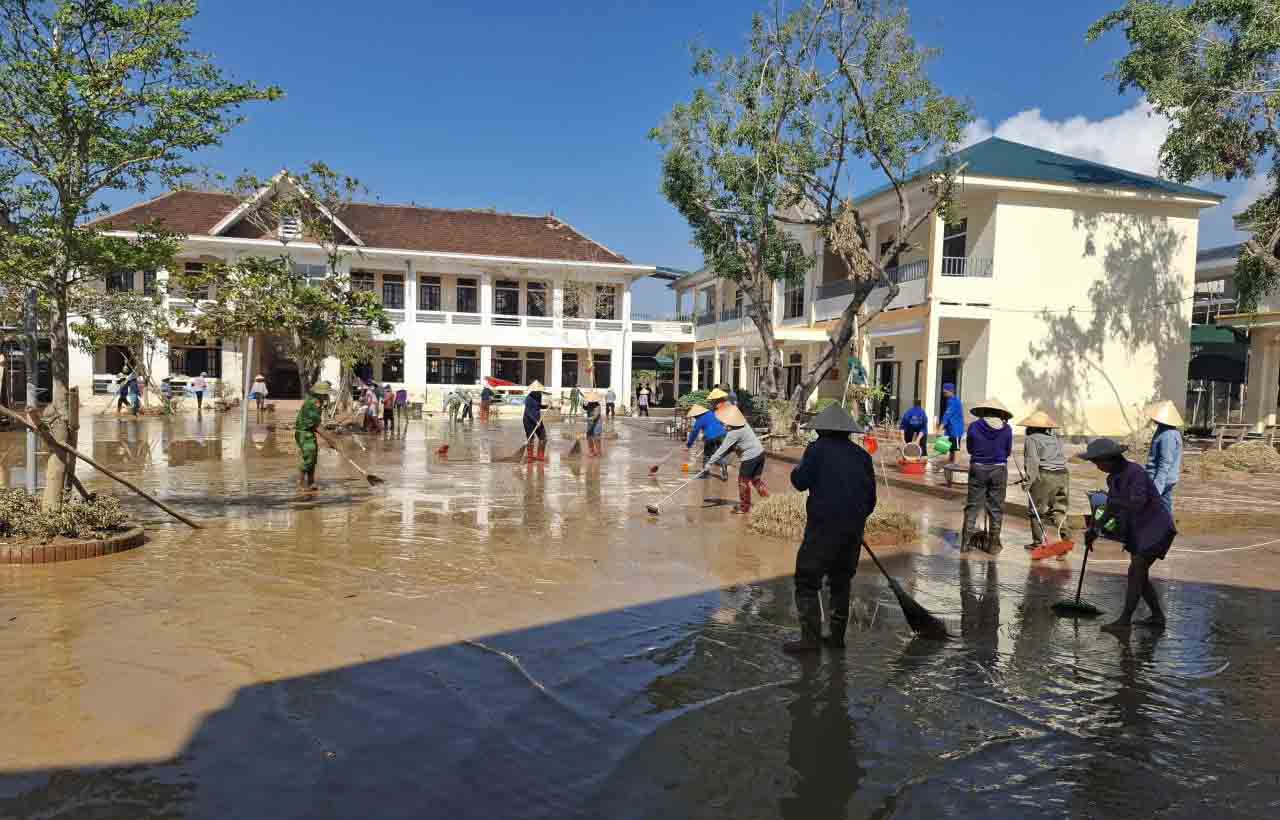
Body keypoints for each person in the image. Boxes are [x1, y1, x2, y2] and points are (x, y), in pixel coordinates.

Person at [785, 404, 877, 653]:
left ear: (822, 430)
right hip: (852, 532)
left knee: (807, 580)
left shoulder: (816, 450)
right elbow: (870, 501)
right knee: (841, 582)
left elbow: (799, 482)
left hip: (823, 530)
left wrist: (800, 466)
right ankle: (837, 638)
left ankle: (810, 641)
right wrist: (853, 521)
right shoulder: (863, 456)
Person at [1079, 437, 1176, 632]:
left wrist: (1114, 502)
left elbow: (1137, 503)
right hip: (1139, 531)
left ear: (1110, 458)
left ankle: (1125, 620)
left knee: (1136, 572)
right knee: (1139, 575)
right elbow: (1110, 509)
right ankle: (1157, 616)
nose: (1097, 466)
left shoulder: (1135, 473)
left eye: (1098, 462)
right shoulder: (1112, 478)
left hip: (1155, 529)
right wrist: (1095, 529)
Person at [962, 397, 1013, 554]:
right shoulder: (1007, 429)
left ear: (983, 412)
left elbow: (970, 449)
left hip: (978, 468)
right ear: (1000, 413)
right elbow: (1008, 452)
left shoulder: (973, 427)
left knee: (972, 506)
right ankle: (993, 545)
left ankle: (965, 544)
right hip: (999, 470)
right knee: (996, 508)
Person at [1018, 409, 1070, 549]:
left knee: (1036, 511)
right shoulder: (1055, 439)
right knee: (1058, 510)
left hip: (1045, 475)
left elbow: (1032, 462)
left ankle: (1038, 543)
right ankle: (1066, 540)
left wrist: (1028, 482)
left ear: (1031, 427)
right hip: (1063, 475)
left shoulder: (1031, 439)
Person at [706, 403, 769, 515]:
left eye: (725, 422)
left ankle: (744, 507)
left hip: (750, 457)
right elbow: (733, 447)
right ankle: (769, 501)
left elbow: (722, 449)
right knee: (756, 480)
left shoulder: (734, 433)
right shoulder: (744, 424)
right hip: (760, 454)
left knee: (743, 482)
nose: (724, 424)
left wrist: (710, 462)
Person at [1145, 400, 1184, 514]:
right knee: (1165, 506)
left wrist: (1157, 489)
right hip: (1162, 477)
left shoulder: (1168, 435)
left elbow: (1165, 463)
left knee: (1158, 508)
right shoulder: (1164, 430)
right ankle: (1168, 527)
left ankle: (1165, 527)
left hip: (1162, 479)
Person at [294, 380, 330, 491]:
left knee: (313, 457)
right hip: (304, 433)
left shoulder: (318, 402)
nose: (327, 396)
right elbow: (318, 426)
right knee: (309, 457)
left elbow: (316, 425)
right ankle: (300, 482)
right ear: (320, 393)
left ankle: (311, 482)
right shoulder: (312, 403)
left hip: (310, 431)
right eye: (325, 394)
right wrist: (331, 440)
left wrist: (330, 440)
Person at [685, 403, 729, 480]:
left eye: (694, 416)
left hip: (711, 437)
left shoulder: (700, 419)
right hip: (722, 434)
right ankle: (724, 470)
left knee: (707, 455)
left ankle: (706, 473)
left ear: (696, 414)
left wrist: (688, 445)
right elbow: (717, 423)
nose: (694, 418)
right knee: (720, 453)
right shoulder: (710, 413)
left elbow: (694, 433)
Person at [939, 383, 964, 463]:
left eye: (945, 392)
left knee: (956, 447)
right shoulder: (949, 400)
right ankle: (950, 462)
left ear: (951, 391)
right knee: (951, 447)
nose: (944, 394)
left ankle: (955, 465)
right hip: (951, 429)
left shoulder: (954, 402)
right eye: (944, 393)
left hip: (956, 429)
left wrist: (940, 428)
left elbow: (947, 415)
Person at [523, 380, 548, 462]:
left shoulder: (539, 396)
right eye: (538, 391)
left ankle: (540, 456)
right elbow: (528, 412)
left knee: (543, 437)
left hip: (537, 419)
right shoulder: (528, 398)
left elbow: (538, 406)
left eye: (540, 391)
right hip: (528, 420)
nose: (539, 392)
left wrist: (546, 406)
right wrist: (535, 421)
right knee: (531, 438)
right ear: (533, 390)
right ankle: (530, 457)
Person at [583, 391, 604, 456]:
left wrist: (588, 419)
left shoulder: (597, 405)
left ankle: (598, 452)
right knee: (589, 437)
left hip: (597, 423)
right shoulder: (589, 404)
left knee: (596, 437)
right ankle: (591, 451)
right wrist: (583, 403)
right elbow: (585, 408)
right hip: (590, 423)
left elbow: (595, 416)